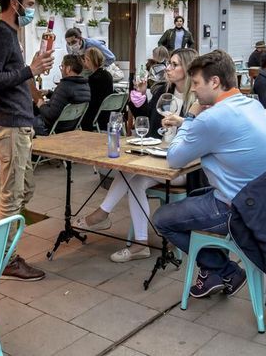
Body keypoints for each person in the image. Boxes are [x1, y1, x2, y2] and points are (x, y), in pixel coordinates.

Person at [152, 50, 266, 297]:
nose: (195, 91)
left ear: (215, 82)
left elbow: (174, 159)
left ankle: (224, 269)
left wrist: (190, 116)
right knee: (198, 195)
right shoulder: (252, 104)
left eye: (198, 84)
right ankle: (211, 273)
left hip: (239, 210)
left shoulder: (210, 117)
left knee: (162, 218)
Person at [73, 48, 199, 263]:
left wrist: (181, 122)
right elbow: (146, 119)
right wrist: (140, 97)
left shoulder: (197, 98)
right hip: (159, 157)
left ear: (187, 68)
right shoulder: (162, 91)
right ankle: (140, 244)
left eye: (174, 64)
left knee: (131, 175)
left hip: (185, 166)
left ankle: (103, 214)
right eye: (168, 63)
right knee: (133, 178)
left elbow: (200, 133)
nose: (168, 68)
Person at [0, 0, 53, 281]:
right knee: (11, 197)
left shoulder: (11, 34)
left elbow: (6, 79)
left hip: (19, 124)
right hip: (9, 126)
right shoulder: (0, 33)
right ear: (16, 4)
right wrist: (29, 70)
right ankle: (5, 259)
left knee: (25, 191)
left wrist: (32, 74)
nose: (32, 9)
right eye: (31, 2)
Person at [34, 54, 91, 136]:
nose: (61, 70)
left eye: (62, 66)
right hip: (70, 126)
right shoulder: (85, 85)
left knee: (23, 123)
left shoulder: (65, 86)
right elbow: (65, 100)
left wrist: (41, 105)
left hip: (52, 128)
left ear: (68, 69)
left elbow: (50, 115)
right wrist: (49, 93)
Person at [80, 48, 114, 131]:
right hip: (107, 114)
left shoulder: (93, 78)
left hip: (96, 116)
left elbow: (91, 100)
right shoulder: (108, 75)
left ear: (88, 60)